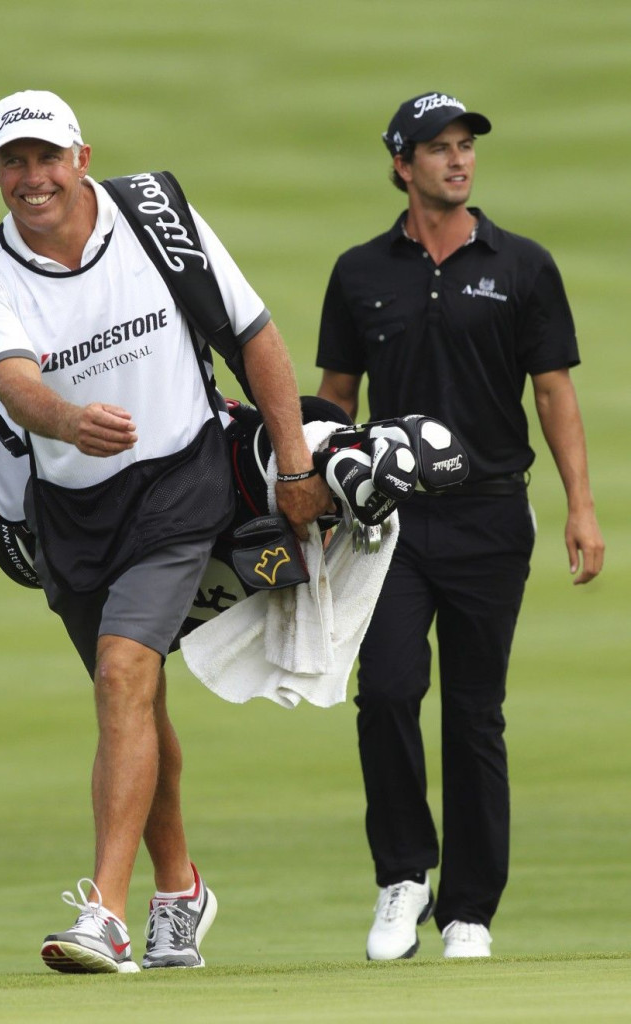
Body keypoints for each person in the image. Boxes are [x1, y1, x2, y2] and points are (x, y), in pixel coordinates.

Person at [0, 89, 332, 974]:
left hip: (180, 481)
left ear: (81, 156)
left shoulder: (155, 216)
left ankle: (105, 917)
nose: (33, 178)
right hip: (73, 511)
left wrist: (296, 464)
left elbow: (255, 334)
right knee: (136, 699)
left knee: (124, 672)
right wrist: (66, 419)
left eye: (48, 158)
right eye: (15, 162)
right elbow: (13, 382)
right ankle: (180, 889)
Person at [316, 91, 604, 960]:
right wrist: (320, 510)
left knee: (475, 714)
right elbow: (335, 399)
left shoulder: (522, 265)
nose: (458, 160)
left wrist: (581, 507)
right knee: (389, 693)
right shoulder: (360, 272)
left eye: (465, 146)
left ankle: (470, 909)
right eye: (437, 148)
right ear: (402, 165)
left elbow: (553, 391)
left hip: (489, 517)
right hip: (389, 524)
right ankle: (403, 876)